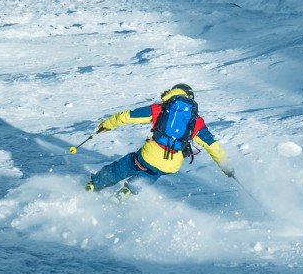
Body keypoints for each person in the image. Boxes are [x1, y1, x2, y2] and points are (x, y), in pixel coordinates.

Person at [85, 83, 234, 198]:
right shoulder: (196, 121)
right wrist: (226, 168)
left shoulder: (160, 109)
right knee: (153, 173)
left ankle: (94, 184)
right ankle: (128, 191)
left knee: (127, 165)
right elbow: (214, 147)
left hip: (150, 154)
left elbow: (127, 116)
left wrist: (106, 125)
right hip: (171, 164)